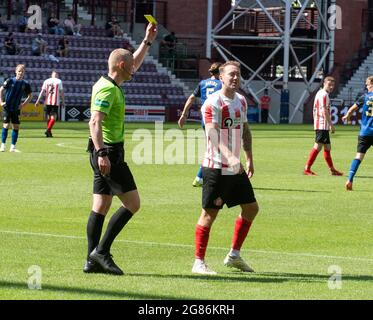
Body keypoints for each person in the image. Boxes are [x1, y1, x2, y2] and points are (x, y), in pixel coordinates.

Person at [84, 23, 157, 275]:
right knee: (133, 204)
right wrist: (103, 153)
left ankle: (91, 261)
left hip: (102, 151)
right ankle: (101, 252)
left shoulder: (111, 83)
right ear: (122, 67)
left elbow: (131, 62)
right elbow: (94, 121)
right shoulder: (107, 88)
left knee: (100, 206)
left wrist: (147, 41)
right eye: (130, 65)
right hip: (109, 153)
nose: (134, 68)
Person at [192, 61, 259, 275]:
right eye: (231, 74)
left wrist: (248, 157)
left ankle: (234, 255)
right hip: (216, 167)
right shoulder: (212, 102)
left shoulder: (241, 101)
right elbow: (211, 133)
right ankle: (198, 262)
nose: (235, 78)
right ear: (221, 77)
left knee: (251, 208)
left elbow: (245, 130)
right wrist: (230, 157)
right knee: (209, 214)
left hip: (234, 167)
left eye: (238, 74)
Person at [178, 62, 222, 187]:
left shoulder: (203, 83)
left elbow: (191, 98)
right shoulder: (221, 84)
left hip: (205, 120)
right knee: (216, 149)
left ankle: (209, 177)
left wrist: (184, 115)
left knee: (215, 149)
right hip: (217, 120)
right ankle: (199, 177)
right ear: (220, 72)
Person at [303, 76, 343, 176]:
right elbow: (325, 111)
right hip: (322, 124)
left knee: (327, 147)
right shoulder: (324, 95)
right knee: (317, 147)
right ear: (324, 84)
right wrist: (331, 125)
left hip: (321, 124)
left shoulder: (320, 93)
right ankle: (307, 168)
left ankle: (332, 169)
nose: (331, 87)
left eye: (332, 85)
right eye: (329, 84)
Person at [342, 76, 373, 191]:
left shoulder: (364, 97)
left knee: (358, 156)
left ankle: (350, 179)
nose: (366, 86)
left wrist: (347, 116)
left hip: (364, 132)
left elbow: (351, 110)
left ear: (372, 84)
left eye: (367, 84)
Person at [0, 64, 32, 152]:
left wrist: (23, 105)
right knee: (6, 125)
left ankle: (12, 147)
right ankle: (2, 145)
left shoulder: (25, 84)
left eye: (22, 71)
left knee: (16, 127)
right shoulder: (10, 81)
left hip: (16, 109)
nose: (20, 73)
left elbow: (30, 96)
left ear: (24, 73)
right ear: (16, 71)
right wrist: (1, 102)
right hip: (7, 107)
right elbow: (1, 89)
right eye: (19, 71)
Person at [35, 71, 65, 138]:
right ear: (56, 75)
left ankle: (49, 132)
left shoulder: (46, 81)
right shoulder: (59, 81)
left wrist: (37, 101)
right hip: (55, 102)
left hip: (47, 102)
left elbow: (42, 91)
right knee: (53, 118)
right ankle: (48, 130)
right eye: (57, 74)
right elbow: (62, 92)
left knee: (49, 117)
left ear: (51, 75)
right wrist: (63, 101)